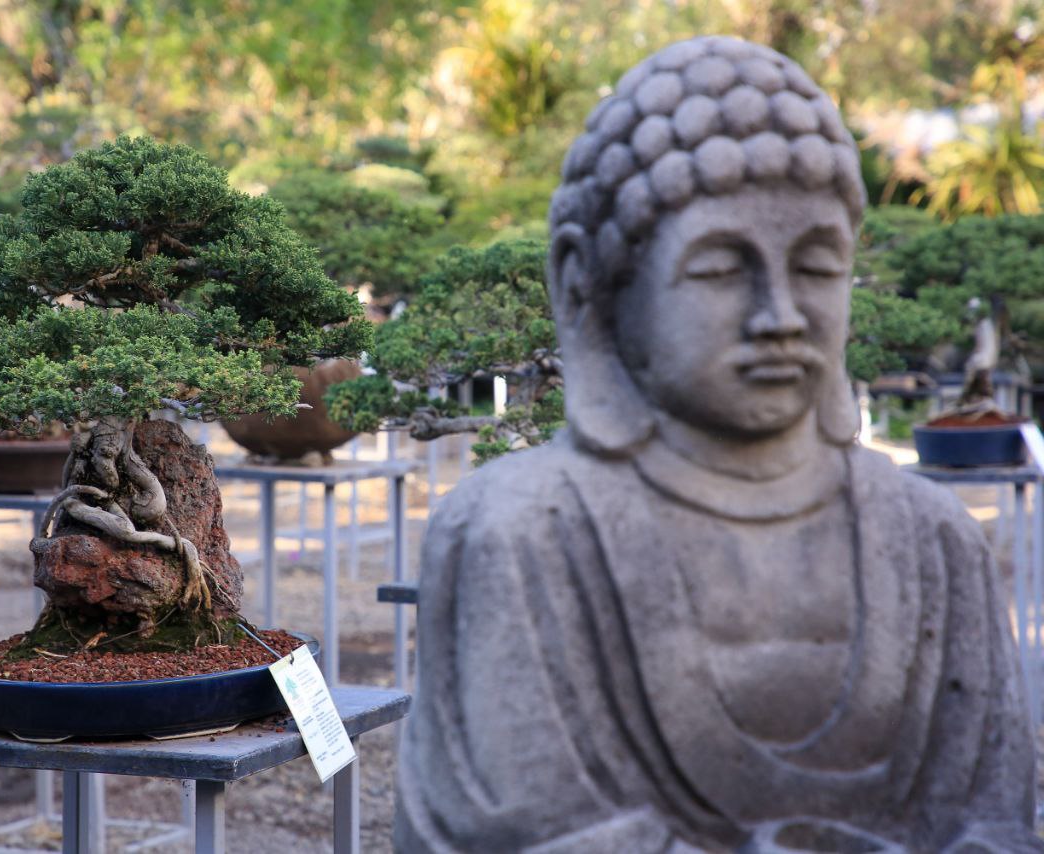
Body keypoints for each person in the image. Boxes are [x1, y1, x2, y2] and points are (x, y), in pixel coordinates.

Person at [395, 36, 1041, 853]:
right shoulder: (522, 533)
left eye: (815, 266)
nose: (780, 314)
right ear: (590, 287)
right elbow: (514, 830)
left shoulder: (935, 546)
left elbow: (995, 826)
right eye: (720, 269)